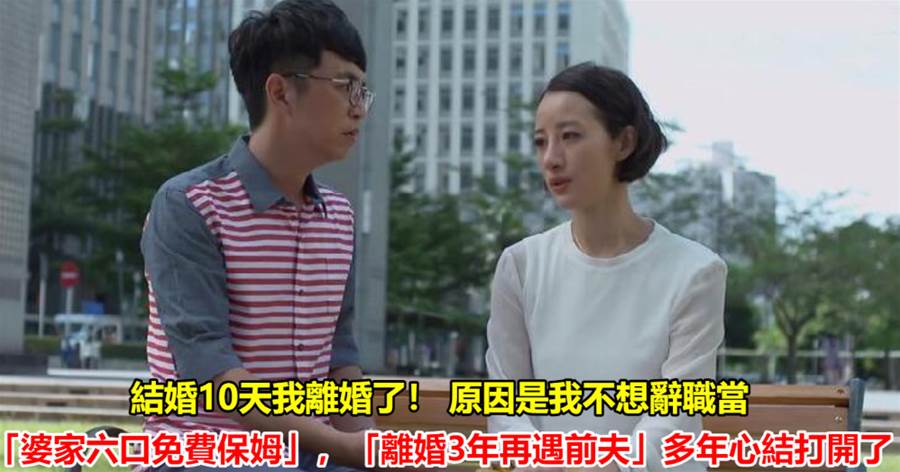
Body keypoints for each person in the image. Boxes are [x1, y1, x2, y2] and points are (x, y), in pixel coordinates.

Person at [140, 0, 375, 470]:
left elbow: (339, 355)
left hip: (312, 457)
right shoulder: (190, 205)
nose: (359, 108)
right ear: (281, 91)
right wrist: (348, 449)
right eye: (345, 86)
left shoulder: (339, 217)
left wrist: (371, 446)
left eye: (363, 91)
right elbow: (212, 371)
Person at [485, 62, 727, 471]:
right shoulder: (521, 266)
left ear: (623, 142)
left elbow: (672, 425)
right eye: (541, 142)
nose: (551, 158)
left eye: (570, 136)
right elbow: (505, 410)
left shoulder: (696, 272)